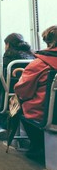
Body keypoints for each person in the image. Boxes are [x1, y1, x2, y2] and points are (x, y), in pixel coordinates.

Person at [0, 33, 35, 139]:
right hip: (28, 97)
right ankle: (6, 124)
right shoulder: (32, 59)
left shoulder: (4, 62)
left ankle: (6, 123)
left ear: (8, 45)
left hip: (10, 100)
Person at [14, 25, 57, 160]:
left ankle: (37, 146)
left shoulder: (39, 64)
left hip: (45, 112)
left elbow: (23, 91)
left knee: (19, 106)